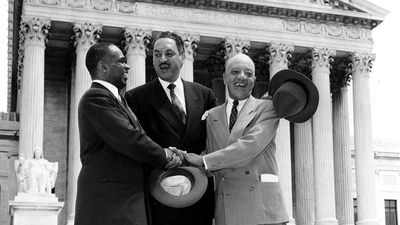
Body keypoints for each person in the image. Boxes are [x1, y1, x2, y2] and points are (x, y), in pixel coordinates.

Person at [75, 43, 182, 225]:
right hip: (109, 205)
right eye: (122, 61)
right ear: (103, 67)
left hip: (123, 202)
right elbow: (129, 138)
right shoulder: (96, 98)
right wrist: (163, 154)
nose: (128, 65)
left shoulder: (118, 100)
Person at [184, 53, 289, 225]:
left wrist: (204, 160)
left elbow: (250, 147)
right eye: (235, 72)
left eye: (248, 74)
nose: (242, 77)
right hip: (227, 210)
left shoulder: (268, 108)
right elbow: (213, 157)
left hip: (263, 210)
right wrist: (182, 157)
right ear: (225, 77)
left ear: (254, 80)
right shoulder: (211, 115)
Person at [125, 31, 216, 225]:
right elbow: (136, 146)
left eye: (168, 53)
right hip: (160, 194)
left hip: (199, 194)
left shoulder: (205, 95)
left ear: (182, 57)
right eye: (157, 55)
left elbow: (214, 140)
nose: (162, 59)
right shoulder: (136, 98)